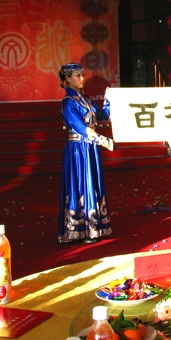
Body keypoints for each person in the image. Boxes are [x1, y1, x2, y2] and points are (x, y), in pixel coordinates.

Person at [58, 63, 113, 244]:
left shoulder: (87, 100)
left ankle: (94, 227)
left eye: (82, 75)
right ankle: (78, 229)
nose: (82, 78)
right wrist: (102, 140)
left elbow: (103, 116)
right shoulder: (68, 102)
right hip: (77, 149)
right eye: (77, 75)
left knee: (92, 182)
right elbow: (80, 127)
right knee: (80, 184)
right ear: (67, 79)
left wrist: (109, 100)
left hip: (90, 148)